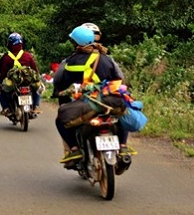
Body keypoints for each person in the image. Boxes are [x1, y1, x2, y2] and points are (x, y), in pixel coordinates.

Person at [53, 25, 137, 164]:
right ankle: (123, 145)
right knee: (123, 111)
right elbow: (119, 79)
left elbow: (62, 83)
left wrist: (60, 92)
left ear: (75, 43)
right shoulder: (107, 59)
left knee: (60, 119)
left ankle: (74, 149)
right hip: (110, 101)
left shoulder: (71, 61)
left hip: (87, 104)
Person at [0, 32, 42, 116]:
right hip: (28, 81)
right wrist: (37, 78)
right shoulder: (28, 55)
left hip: (14, 83)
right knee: (38, 86)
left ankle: (6, 108)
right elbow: (35, 69)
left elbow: (3, 73)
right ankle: (36, 106)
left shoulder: (6, 57)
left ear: (9, 44)